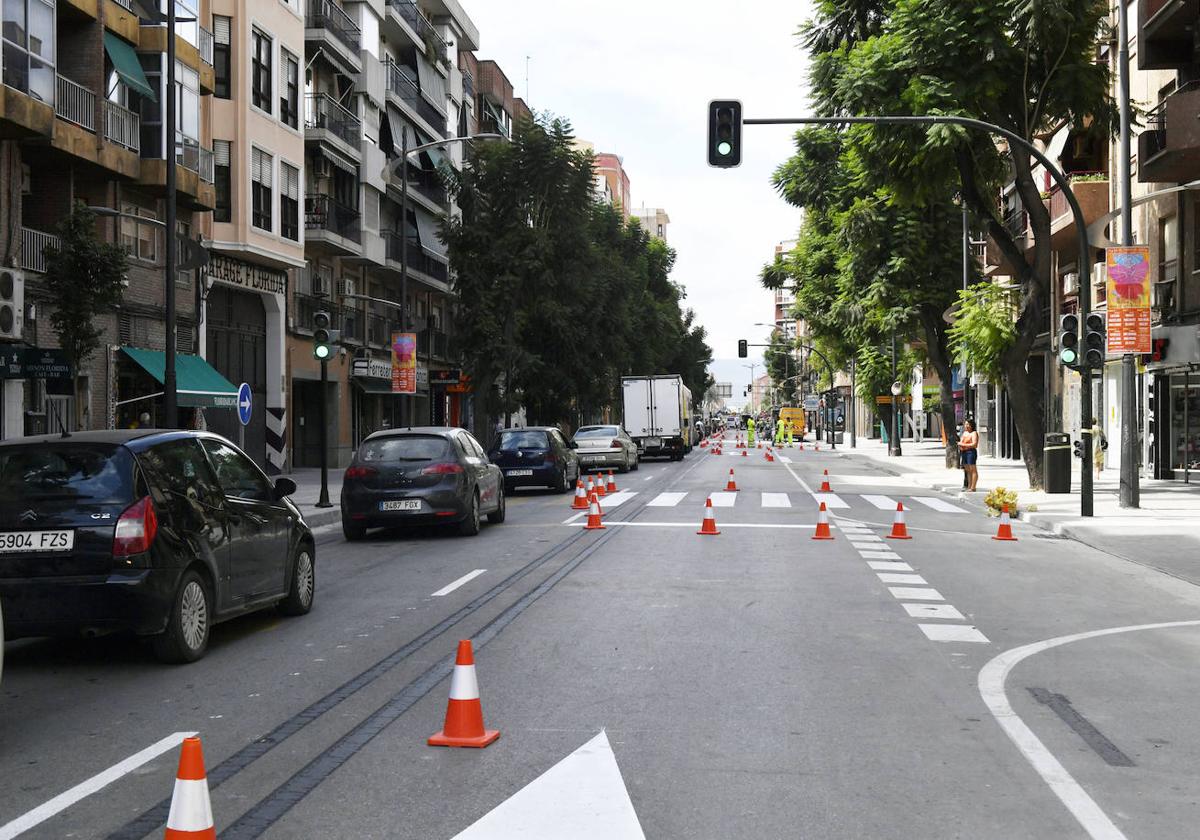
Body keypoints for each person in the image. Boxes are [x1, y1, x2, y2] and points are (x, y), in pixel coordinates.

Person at [958, 418, 979, 492]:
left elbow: (974, 444)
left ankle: (973, 487)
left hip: (971, 452)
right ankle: (969, 486)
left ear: (971, 425)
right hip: (964, 452)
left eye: (968, 424)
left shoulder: (974, 433)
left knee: (973, 470)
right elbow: (960, 441)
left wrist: (962, 444)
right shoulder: (964, 433)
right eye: (965, 424)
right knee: (967, 471)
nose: (966, 426)